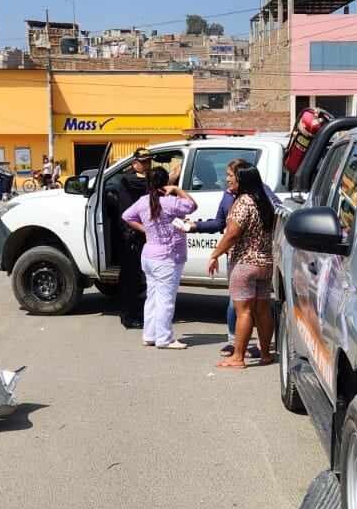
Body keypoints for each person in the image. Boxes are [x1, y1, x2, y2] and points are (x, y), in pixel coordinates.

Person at [191, 158, 282, 357]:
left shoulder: (243, 202)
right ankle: (266, 354)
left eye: (230, 176)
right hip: (265, 262)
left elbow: (232, 234)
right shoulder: (265, 200)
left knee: (244, 311)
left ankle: (238, 356)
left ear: (241, 178)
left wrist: (215, 254)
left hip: (244, 263)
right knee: (263, 310)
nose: (227, 180)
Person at [120, 167, 197, 348]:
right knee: (166, 300)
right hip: (168, 256)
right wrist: (176, 189)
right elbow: (192, 205)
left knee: (152, 297)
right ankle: (164, 338)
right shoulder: (171, 202)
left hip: (149, 255)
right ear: (165, 182)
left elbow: (126, 216)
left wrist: (145, 229)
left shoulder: (143, 201)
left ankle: (150, 335)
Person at [114, 149, 153, 328]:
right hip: (131, 234)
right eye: (143, 162)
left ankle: (134, 312)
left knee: (137, 277)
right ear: (134, 163)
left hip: (141, 233)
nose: (147, 165)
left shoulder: (144, 178)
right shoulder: (128, 179)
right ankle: (128, 317)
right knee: (131, 278)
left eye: (149, 162)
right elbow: (142, 184)